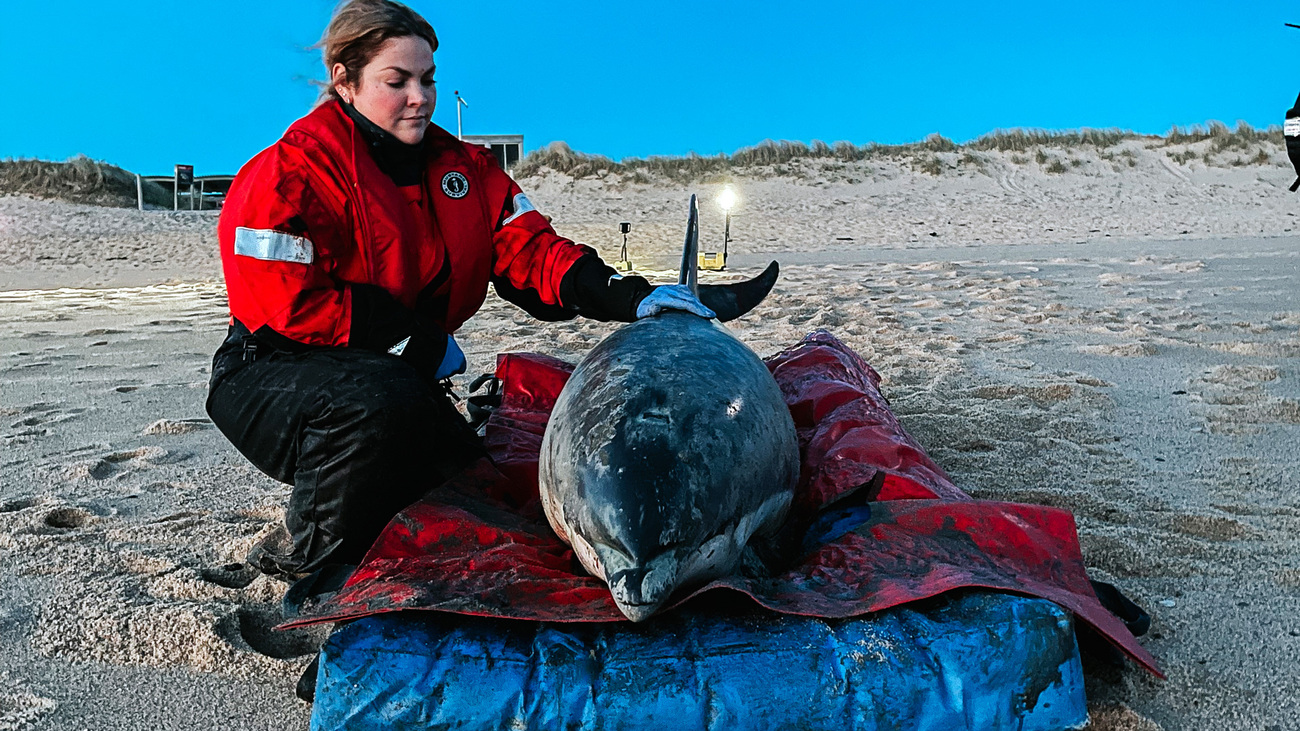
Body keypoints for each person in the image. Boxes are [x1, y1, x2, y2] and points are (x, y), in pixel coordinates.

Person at [206, 0, 772, 578]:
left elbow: (532, 254)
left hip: (399, 372)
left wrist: (631, 297)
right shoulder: (289, 173)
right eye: (395, 81)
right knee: (377, 410)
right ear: (344, 83)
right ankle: (315, 573)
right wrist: (413, 341)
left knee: (471, 489)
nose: (419, 97)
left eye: (427, 79)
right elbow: (285, 305)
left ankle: (343, 512)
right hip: (273, 373)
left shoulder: (468, 172)